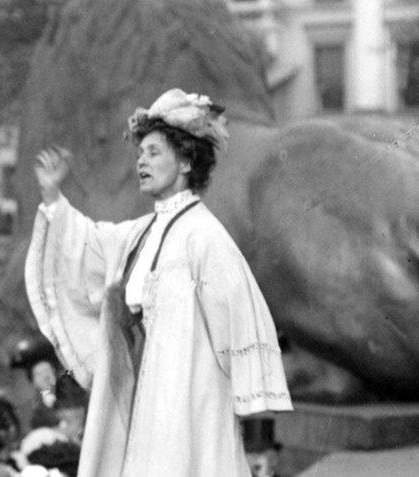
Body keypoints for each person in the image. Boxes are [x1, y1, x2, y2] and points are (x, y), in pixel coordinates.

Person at [25, 89, 292, 476]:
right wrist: (53, 197)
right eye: (140, 154)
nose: (142, 162)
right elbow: (91, 246)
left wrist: (248, 396)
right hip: (147, 395)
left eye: (153, 153)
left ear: (185, 161)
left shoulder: (205, 236)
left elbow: (239, 314)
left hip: (190, 400)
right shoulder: (144, 231)